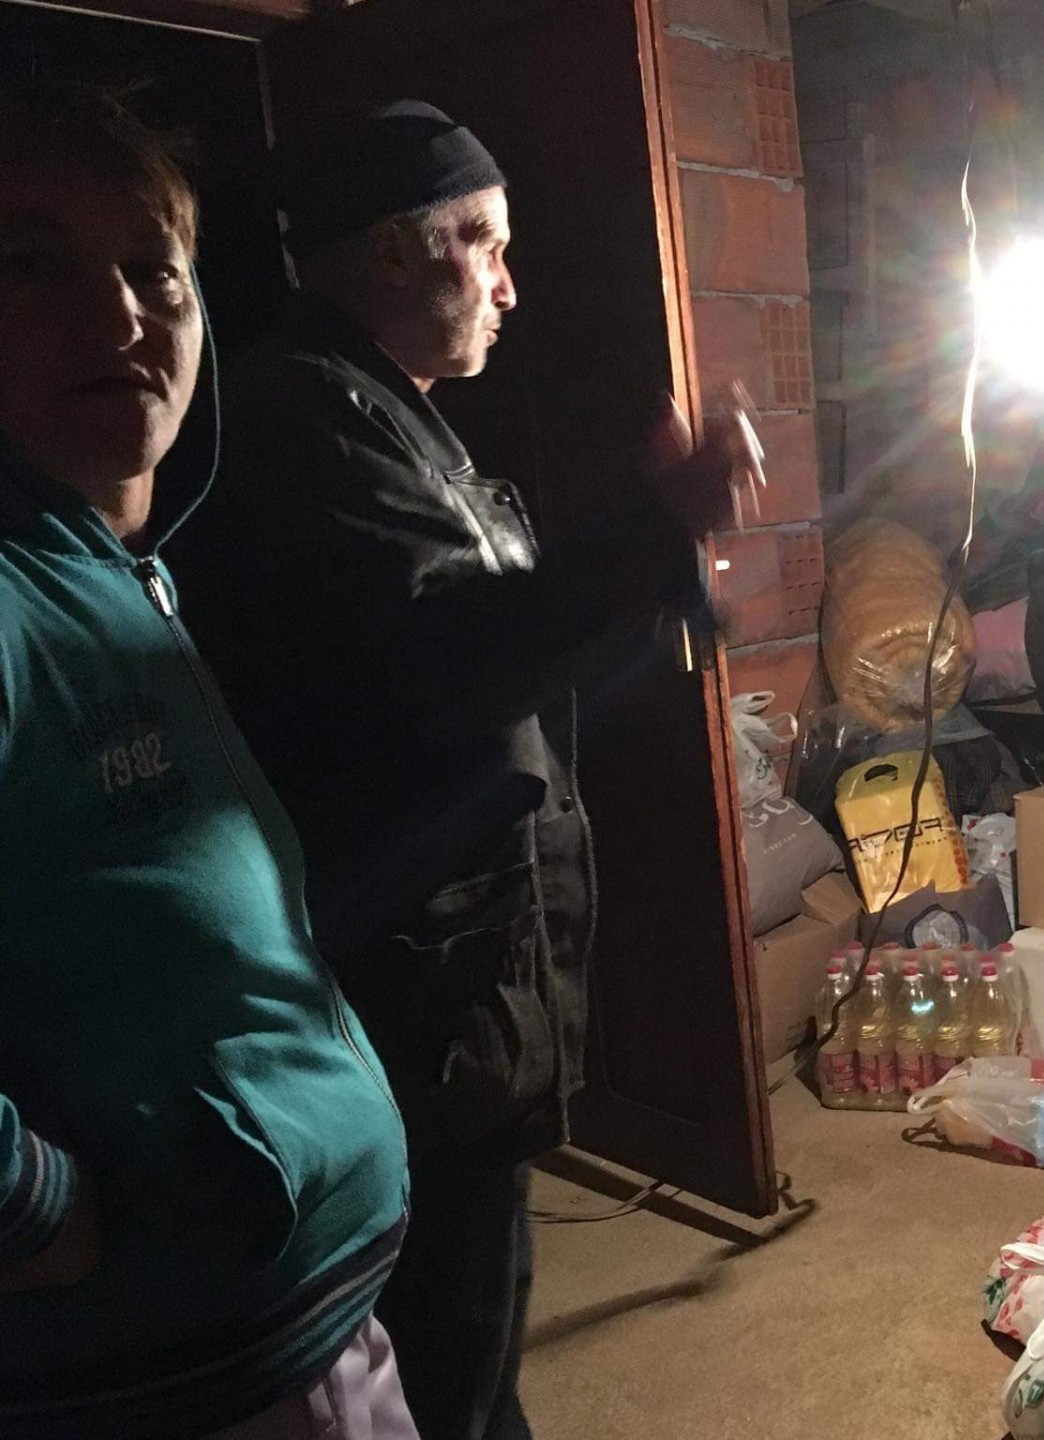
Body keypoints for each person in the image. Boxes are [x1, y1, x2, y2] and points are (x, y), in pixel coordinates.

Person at [169, 101, 737, 1440]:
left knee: (476, 1327)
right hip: (415, 996)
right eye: (483, 240)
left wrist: (658, 570)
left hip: (462, 980)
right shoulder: (306, 423)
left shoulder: (391, 419)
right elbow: (456, 656)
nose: (509, 283)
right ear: (390, 251)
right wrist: (648, 535)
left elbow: (508, 644)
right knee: (446, 1337)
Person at [0, 83, 414, 1439]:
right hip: (182, 1371)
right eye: (35, 265)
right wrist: (36, 1209)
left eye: (152, 270)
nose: (120, 318)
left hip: (286, 1317)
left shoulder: (115, 570)